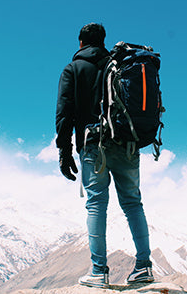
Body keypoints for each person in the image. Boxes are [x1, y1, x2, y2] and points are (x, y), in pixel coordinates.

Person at [55, 23, 154, 288]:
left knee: (97, 204)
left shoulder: (73, 69)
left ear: (80, 43)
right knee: (133, 203)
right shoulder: (119, 64)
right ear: (102, 41)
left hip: (94, 145)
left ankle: (99, 271)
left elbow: (64, 113)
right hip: (126, 144)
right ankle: (144, 266)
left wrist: (65, 152)